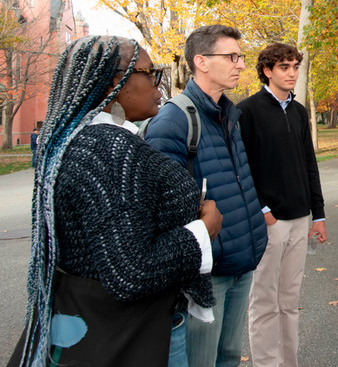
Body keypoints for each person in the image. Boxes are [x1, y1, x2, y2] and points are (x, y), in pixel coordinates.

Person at [10, 36, 222, 367]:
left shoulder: (72, 140)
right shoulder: (110, 150)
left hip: (93, 326)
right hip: (138, 335)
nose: (157, 84)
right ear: (116, 82)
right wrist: (202, 231)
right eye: (151, 72)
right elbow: (131, 272)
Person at [144, 25, 268, 367]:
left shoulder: (230, 115)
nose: (241, 64)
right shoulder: (173, 121)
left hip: (243, 262)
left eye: (240, 57)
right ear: (201, 61)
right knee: (202, 361)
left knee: (229, 355)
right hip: (207, 273)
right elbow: (160, 208)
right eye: (231, 56)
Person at [237, 43, 327, 367]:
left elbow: (309, 165)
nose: (291, 73)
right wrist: (263, 212)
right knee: (264, 303)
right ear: (267, 71)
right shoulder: (247, 111)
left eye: (295, 67)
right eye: (284, 67)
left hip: (301, 218)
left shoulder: (300, 111)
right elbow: (241, 168)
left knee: (289, 301)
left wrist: (319, 215)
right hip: (269, 222)